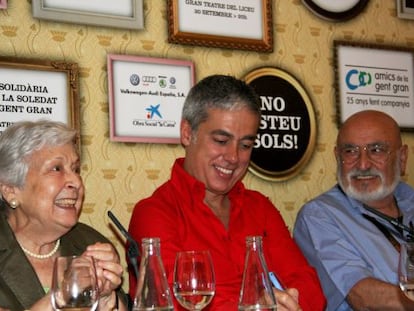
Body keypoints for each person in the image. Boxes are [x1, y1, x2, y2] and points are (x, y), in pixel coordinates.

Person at [128, 74, 326, 311]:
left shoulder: (261, 208)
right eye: (221, 140)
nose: (233, 157)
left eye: (245, 145)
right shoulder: (154, 213)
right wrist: (259, 305)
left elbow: (310, 289)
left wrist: (285, 302)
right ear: (187, 133)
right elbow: (177, 303)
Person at [0, 120, 127, 311]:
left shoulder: (90, 242)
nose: (76, 181)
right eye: (56, 169)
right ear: (11, 190)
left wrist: (107, 298)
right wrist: (62, 295)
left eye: (75, 169)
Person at [293, 110, 414, 310]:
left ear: (402, 158)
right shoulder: (320, 215)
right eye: (350, 151)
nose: (363, 164)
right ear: (337, 157)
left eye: (376, 150)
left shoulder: (409, 200)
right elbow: (361, 296)